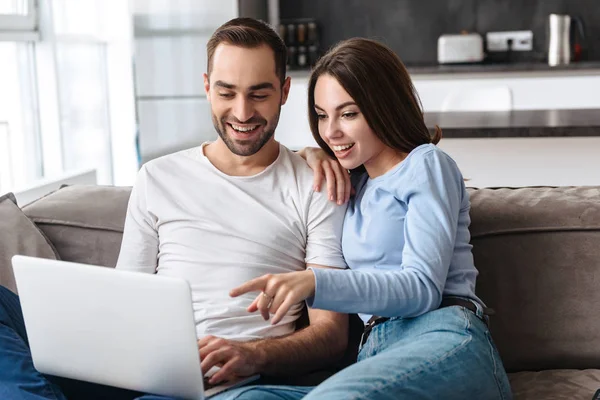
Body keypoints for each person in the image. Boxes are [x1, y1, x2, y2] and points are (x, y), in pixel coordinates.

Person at [0, 18, 352, 400]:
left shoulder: (317, 184)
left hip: (231, 383)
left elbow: (331, 334)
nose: (242, 112)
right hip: (142, 366)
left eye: (259, 94)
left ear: (284, 91)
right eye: (226, 92)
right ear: (206, 87)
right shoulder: (157, 177)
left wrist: (253, 356)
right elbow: (123, 300)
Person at [231, 37, 514, 399]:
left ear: (383, 106)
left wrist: (315, 283)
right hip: (374, 354)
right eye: (321, 115)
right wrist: (308, 155)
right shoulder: (351, 184)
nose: (331, 131)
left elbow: (422, 289)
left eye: (348, 114)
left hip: (443, 336)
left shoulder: (426, 165)